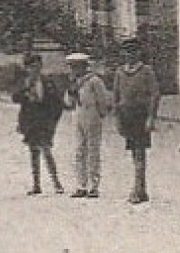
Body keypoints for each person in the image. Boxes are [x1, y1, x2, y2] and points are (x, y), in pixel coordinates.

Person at [112, 38, 161, 204]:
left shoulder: (147, 71)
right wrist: (117, 118)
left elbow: (155, 94)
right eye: (127, 52)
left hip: (140, 116)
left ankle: (137, 190)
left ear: (138, 53)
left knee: (140, 153)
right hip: (127, 117)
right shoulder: (120, 72)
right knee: (134, 153)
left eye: (133, 51)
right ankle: (142, 189)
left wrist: (151, 117)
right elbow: (116, 96)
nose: (130, 55)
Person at [13, 51, 65, 195]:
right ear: (27, 68)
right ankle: (36, 184)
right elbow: (15, 98)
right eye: (31, 67)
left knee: (46, 150)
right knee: (33, 152)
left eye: (37, 66)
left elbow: (57, 102)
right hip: (30, 122)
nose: (34, 70)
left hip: (44, 121)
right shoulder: (24, 82)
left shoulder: (47, 82)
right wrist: (26, 91)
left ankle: (56, 182)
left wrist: (53, 120)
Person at [64, 52, 111, 199]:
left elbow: (103, 100)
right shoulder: (75, 82)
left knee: (92, 150)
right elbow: (68, 103)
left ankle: (93, 185)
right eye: (71, 67)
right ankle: (81, 184)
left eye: (75, 67)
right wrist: (71, 93)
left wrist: (101, 114)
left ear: (83, 66)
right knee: (79, 150)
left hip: (92, 115)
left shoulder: (94, 81)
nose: (73, 70)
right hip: (78, 116)